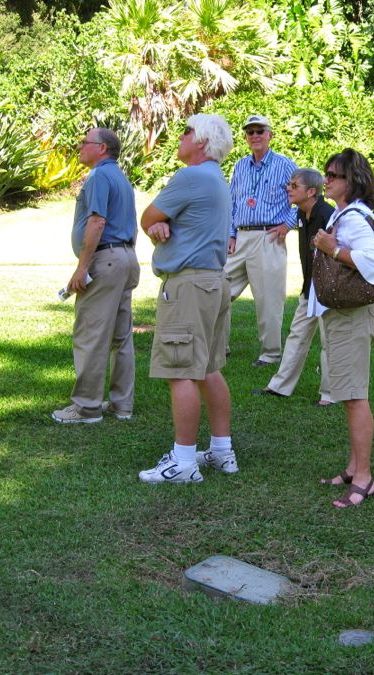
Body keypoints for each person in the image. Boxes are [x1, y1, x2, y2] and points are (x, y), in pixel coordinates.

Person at [137, 114, 238, 484]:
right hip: (213, 282)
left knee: (180, 370)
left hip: (188, 287)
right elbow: (157, 222)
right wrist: (160, 227)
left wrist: (155, 226)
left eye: (186, 131)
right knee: (208, 368)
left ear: (202, 142)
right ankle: (222, 451)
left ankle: (182, 463)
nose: (180, 137)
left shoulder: (191, 177)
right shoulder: (217, 180)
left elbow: (147, 215)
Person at [310, 149, 374, 508]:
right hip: (344, 315)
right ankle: (355, 468)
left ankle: (365, 478)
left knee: (355, 398)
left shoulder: (353, 219)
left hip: (351, 317)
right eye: (326, 174)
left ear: (352, 181)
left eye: (334, 175)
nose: (327, 180)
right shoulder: (346, 214)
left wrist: (333, 248)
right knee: (349, 394)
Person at [52, 127, 139, 424]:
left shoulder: (100, 176)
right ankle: (122, 405)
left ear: (101, 148)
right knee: (120, 337)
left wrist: (82, 267)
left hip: (106, 259)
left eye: (84, 142)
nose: (79, 146)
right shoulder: (121, 177)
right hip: (125, 257)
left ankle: (86, 408)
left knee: (90, 334)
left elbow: (97, 221)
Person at [253, 168, 335, 405]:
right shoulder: (301, 213)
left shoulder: (326, 215)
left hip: (327, 290)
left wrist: (323, 288)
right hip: (309, 287)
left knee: (329, 341)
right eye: (289, 184)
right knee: (296, 335)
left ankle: (329, 395)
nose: (288, 188)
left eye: (294, 185)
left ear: (311, 192)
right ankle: (279, 386)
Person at [225, 114, 298, 367]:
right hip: (240, 237)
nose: (254, 136)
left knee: (269, 299)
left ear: (270, 135)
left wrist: (288, 225)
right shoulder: (239, 166)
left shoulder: (285, 164)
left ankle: (270, 354)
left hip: (269, 237)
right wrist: (231, 235)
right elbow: (231, 203)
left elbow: (302, 196)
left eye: (260, 131)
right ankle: (218, 347)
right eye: (250, 132)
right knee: (218, 290)